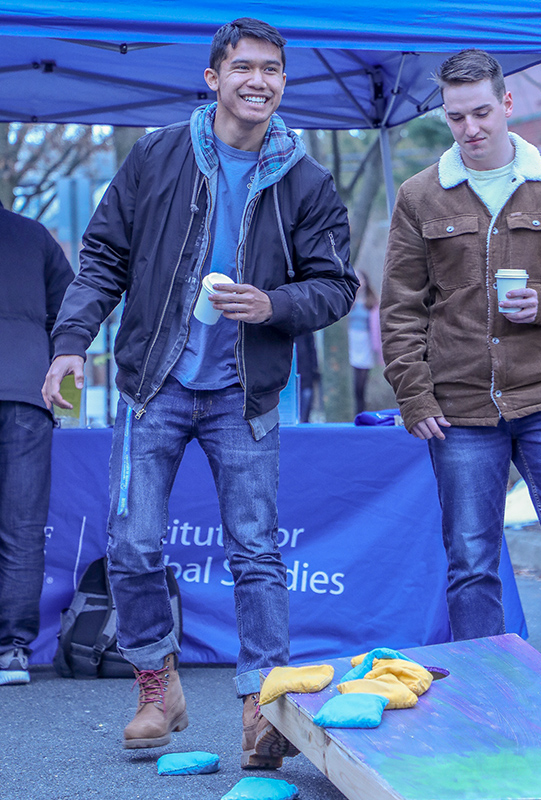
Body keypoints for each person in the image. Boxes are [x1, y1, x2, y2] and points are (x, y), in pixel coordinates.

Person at [41, 18, 358, 764]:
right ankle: (157, 684)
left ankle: (264, 711)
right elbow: (102, 257)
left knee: (256, 553)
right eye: (244, 67)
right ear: (212, 78)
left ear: (284, 82)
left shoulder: (306, 179)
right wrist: (68, 344)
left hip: (244, 396)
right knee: (132, 543)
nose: (259, 80)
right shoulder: (157, 154)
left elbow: (337, 286)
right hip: (155, 384)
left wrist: (273, 305)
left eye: (272, 69)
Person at [380, 50, 541, 726]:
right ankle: (485, 698)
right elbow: (400, 306)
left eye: (481, 112)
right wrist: (414, 392)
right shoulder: (419, 196)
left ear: (508, 104)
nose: (469, 128)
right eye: (456, 116)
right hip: (459, 404)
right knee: (470, 559)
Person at [0, 200, 73, 686]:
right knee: (22, 527)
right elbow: (71, 305)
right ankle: (12, 652)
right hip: (26, 389)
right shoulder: (33, 235)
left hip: (27, 388)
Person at [347, 269, 382, 415]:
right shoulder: (349, 301)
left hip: (365, 342)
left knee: (362, 380)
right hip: (352, 342)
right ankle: (356, 410)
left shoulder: (372, 303)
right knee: (354, 379)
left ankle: (361, 410)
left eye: (361, 279)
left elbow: (376, 327)